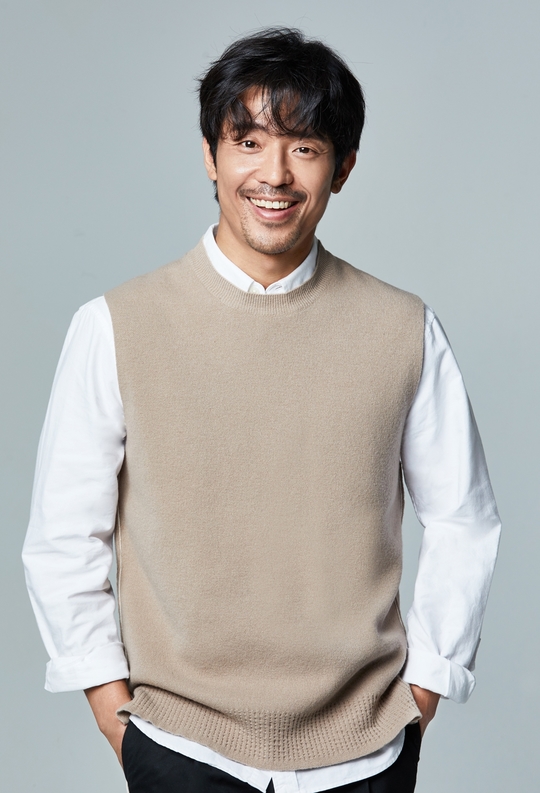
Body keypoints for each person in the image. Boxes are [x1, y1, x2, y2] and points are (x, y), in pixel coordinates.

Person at [22, 27, 501, 793]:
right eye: (247, 142)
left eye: (304, 147)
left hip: (365, 749)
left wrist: (424, 693)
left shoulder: (404, 329)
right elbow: (62, 539)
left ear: (343, 167)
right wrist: (118, 720)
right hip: (180, 742)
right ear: (210, 156)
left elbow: (463, 520)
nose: (273, 174)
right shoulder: (115, 326)